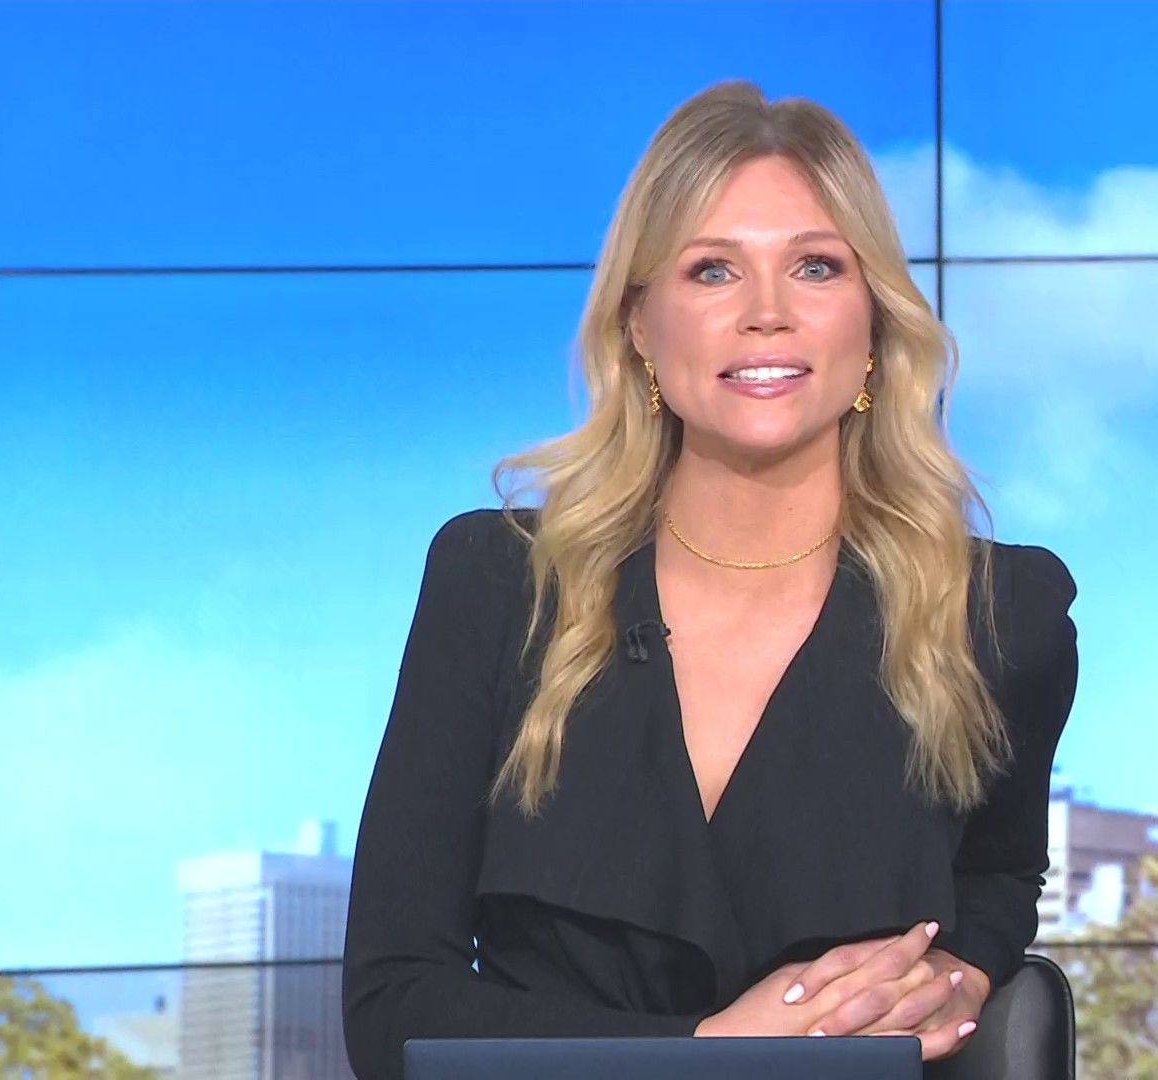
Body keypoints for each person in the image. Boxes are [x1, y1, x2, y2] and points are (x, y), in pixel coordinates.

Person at [341, 79, 1078, 1080]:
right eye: (713, 270)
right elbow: (392, 1006)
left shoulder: (998, 615)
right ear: (641, 327)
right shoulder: (498, 585)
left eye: (815, 267)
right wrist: (711, 1053)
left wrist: (964, 969)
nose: (767, 314)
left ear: (874, 324)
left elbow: (995, 873)